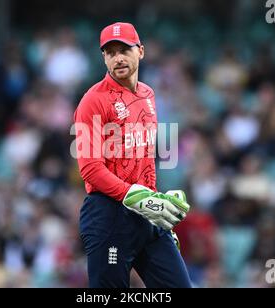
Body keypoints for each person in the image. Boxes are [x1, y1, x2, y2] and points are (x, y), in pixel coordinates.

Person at [74, 22, 192, 288]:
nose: (118, 58)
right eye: (111, 52)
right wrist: (138, 198)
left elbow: (143, 160)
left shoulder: (148, 94)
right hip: (109, 215)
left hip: (146, 214)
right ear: (103, 57)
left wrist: (155, 207)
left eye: (124, 50)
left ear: (141, 51)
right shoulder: (93, 101)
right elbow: (91, 169)